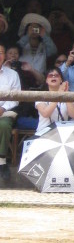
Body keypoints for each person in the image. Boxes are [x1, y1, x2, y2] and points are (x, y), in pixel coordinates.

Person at [0, 43, 21, 183]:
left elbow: (16, 98)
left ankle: (1, 162)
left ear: (4, 55)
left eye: (1, 52)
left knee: (4, 125)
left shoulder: (12, 74)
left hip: (4, 112)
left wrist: (3, 108)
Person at [34, 67, 73, 134]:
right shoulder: (41, 96)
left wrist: (66, 96)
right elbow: (45, 113)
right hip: (44, 133)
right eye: (50, 75)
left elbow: (73, 115)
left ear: (61, 80)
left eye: (57, 75)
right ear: (46, 80)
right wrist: (58, 94)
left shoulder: (67, 95)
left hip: (62, 133)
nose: (53, 77)